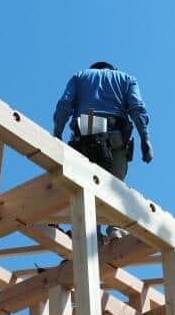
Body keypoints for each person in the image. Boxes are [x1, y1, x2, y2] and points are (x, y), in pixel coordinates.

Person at [53, 61, 153, 241]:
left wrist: (57, 134)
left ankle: (92, 234)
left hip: (84, 139)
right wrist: (145, 139)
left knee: (87, 188)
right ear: (112, 69)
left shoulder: (80, 76)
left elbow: (65, 104)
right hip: (115, 140)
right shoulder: (126, 79)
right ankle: (115, 228)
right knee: (114, 186)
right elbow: (137, 108)